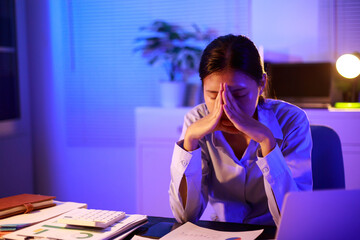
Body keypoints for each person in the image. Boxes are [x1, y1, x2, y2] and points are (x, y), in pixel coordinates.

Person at [168, 34, 313, 226]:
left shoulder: (292, 120)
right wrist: (190, 142)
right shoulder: (196, 121)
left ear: (261, 84)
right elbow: (185, 216)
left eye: (238, 94)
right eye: (212, 95)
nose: (226, 106)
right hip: (223, 232)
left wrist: (267, 142)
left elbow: (295, 220)